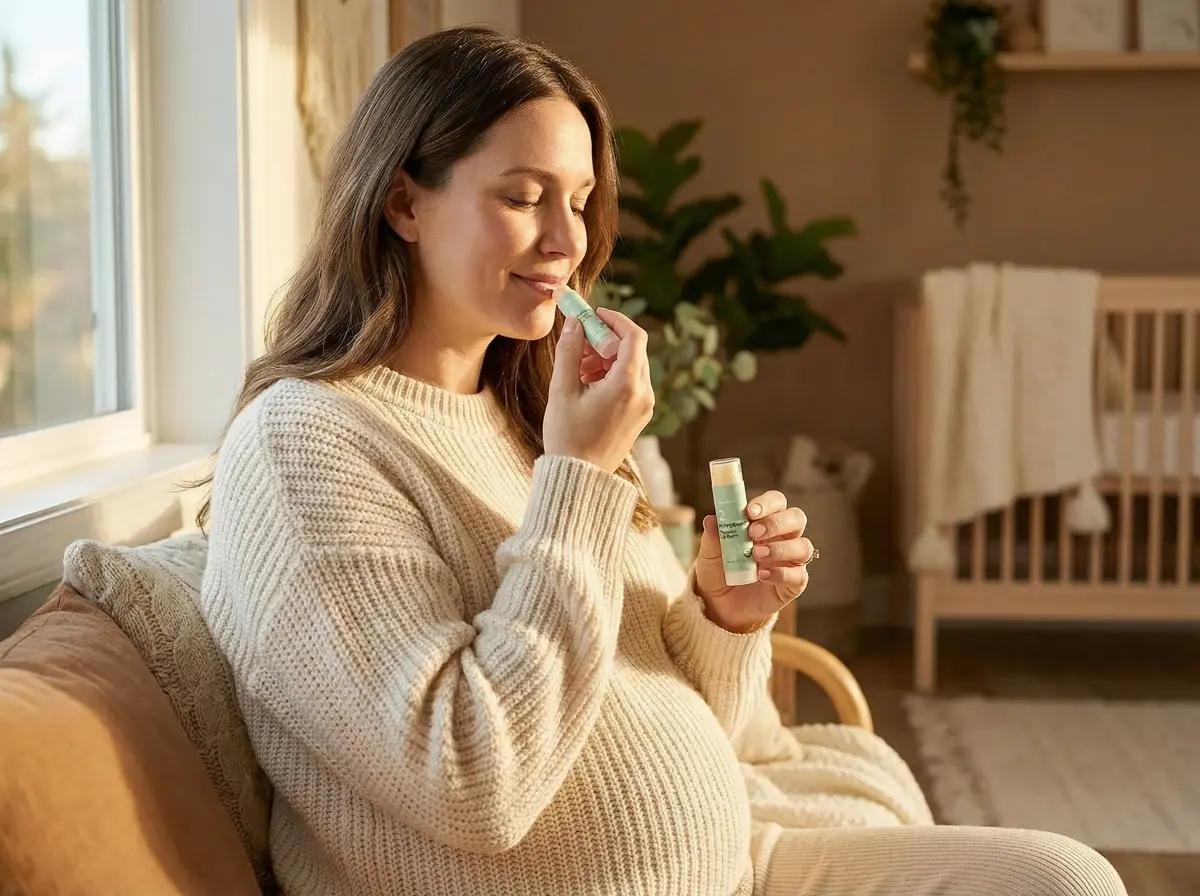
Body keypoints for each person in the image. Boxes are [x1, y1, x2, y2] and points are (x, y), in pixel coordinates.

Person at [197, 25, 1127, 896]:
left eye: (578, 202)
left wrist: (724, 616)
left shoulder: (531, 416)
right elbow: (472, 781)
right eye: (522, 198)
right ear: (403, 202)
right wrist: (578, 481)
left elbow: (687, 717)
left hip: (738, 860)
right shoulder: (305, 444)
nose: (567, 241)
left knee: (1063, 879)